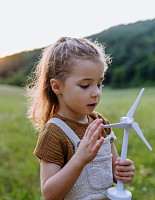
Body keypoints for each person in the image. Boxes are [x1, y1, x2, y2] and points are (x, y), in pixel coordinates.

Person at [26, 37, 135, 200]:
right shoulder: (54, 133)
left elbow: (112, 172)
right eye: (85, 85)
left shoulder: (100, 123)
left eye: (99, 84)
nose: (96, 93)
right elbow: (49, 194)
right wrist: (80, 159)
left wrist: (122, 171)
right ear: (57, 86)